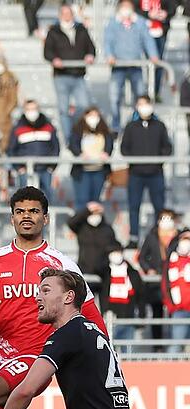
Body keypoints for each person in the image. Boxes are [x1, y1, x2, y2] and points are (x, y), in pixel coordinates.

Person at [0, 186, 106, 409]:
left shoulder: (62, 264)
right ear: (11, 217)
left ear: (45, 218)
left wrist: (105, 357)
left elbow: (90, 313)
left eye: (34, 211)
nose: (27, 216)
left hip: (38, 355)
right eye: (20, 211)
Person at [0, 269, 134, 409]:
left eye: (46, 291)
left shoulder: (67, 333)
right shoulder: (92, 333)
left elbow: (26, 390)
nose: (37, 297)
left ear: (68, 297)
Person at [121, 95, 172, 248]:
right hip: (136, 173)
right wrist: (135, 161)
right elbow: (124, 148)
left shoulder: (159, 126)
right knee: (134, 206)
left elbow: (167, 147)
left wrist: (158, 160)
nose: (144, 107)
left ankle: (159, 237)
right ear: (137, 106)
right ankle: (134, 237)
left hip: (156, 173)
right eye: (141, 104)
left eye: (147, 104)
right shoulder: (131, 126)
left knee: (159, 206)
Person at [43, 4, 96, 142]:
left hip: (79, 75)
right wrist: (54, 59)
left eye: (69, 13)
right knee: (63, 109)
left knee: (84, 106)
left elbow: (91, 47)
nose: (67, 16)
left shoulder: (81, 29)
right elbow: (47, 51)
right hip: (61, 75)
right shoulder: (53, 31)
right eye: (64, 13)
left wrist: (90, 55)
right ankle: (68, 138)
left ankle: (77, 133)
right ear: (60, 15)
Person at [104, 0, 158, 132]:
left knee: (140, 96)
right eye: (124, 7)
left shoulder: (139, 22)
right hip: (118, 66)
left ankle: (137, 123)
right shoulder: (113, 22)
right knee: (115, 96)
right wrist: (109, 55)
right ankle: (116, 126)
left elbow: (147, 39)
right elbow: (107, 41)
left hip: (136, 65)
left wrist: (153, 54)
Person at [138, 208, 178, 345]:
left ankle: (176, 344)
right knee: (157, 312)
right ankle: (157, 346)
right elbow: (142, 257)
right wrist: (149, 270)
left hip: (174, 281)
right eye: (163, 218)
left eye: (170, 218)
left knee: (176, 313)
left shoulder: (180, 237)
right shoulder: (152, 236)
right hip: (156, 283)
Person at [7, 100, 60, 200]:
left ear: (39, 110)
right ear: (24, 111)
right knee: (25, 200)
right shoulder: (18, 128)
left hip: (45, 170)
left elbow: (55, 147)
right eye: (28, 109)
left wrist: (51, 167)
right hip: (25, 170)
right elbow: (11, 149)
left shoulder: (48, 126)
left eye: (34, 109)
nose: (32, 112)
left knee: (46, 200)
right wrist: (18, 168)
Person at [67, 201, 118, 295]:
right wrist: (87, 209)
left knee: (104, 307)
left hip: (103, 273)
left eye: (97, 212)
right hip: (85, 271)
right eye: (93, 212)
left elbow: (114, 245)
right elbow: (71, 222)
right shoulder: (82, 228)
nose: (95, 215)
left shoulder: (107, 229)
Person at [68, 107, 113, 210]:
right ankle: (81, 224)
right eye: (91, 116)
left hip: (99, 171)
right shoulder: (77, 131)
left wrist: (106, 153)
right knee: (82, 202)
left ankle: (93, 224)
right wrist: (80, 154)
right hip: (82, 172)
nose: (93, 118)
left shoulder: (105, 132)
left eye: (96, 116)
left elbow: (109, 146)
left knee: (95, 202)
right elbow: (73, 145)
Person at [103, 244, 145, 353]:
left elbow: (140, 296)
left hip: (128, 316)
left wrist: (141, 316)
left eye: (118, 252)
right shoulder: (105, 273)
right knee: (109, 352)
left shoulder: (132, 273)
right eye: (113, 252)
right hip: (111, 319)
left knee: (128, 352)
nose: (116, 255)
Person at [134, 0, 176, 99]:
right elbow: (133, 8)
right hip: (142, 32)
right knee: (139, 62)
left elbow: (172, 7)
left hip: (160, 32)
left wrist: (165, 13)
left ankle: (154, 93)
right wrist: (148, 14)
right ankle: (139, 94)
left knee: (158, 63)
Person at [165, 233, 190, 353]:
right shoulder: (171, 260)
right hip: (180, 310)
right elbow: (166, 285)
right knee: (176, 344)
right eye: (184, 239)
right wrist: (172, 306)